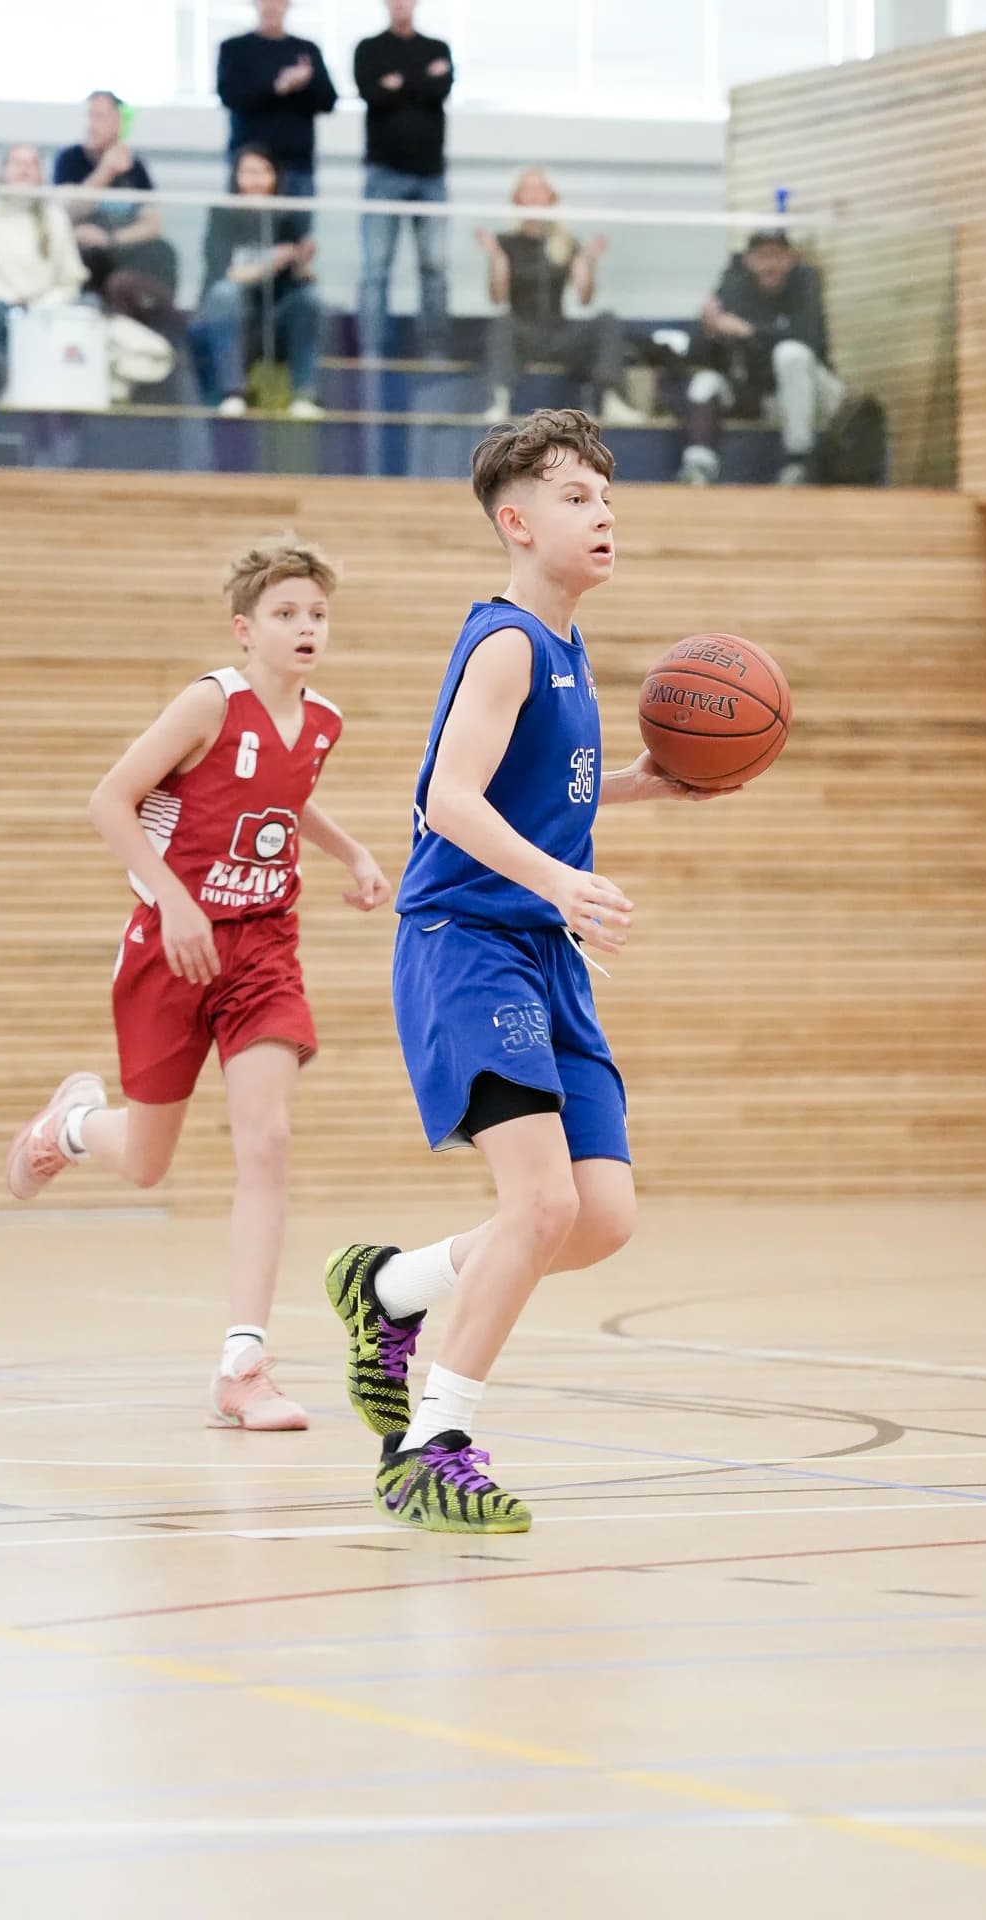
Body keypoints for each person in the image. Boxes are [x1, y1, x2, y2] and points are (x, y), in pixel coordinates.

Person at [324, 409, 736, 1532]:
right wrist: (561, 882)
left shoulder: (568, 649)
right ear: (515, 522)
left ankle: (388, 1289)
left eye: (606, 497)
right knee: (540, 1201)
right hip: (467, 947)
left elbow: (532, 792)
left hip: (542, 955)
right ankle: (431, 1444)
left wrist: (641, 786)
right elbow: (446, 800)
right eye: (573, 497)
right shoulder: (507, 642)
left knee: (597, 1218)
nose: (601, 514)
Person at [6, 535, 390, 1430]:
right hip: (171, 946)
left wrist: (354, 851)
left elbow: (287, 795)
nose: (306, 627)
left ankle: (243, 1368)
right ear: (245, 628)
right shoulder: (208, 702)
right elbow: (109, 800)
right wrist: (175, 902)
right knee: (147, 1163)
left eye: (318, 614)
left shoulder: (323, 721)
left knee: (269, 1140)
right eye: (286, 614)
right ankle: (70, 1126)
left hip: (263, 948)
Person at [476, 167, 645, 427]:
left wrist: (587, 262)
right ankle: (498, 402)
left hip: (560, 332)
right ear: (517, 198)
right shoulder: (505, 242)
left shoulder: (565, 242)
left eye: (539, 189)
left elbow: (584, 298)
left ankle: (611, 400)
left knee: (607, 320)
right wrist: (496, 258)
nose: (533, 195)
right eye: (527, 190)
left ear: (551, 197)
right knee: (502, 323)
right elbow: (497, 297)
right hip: (523, 332)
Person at [679, 229, 843, 486]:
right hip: (766, 399)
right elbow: (695, 356)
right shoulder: (734, 287)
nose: (770, 264)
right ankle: (699, 468)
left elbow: (809, 339)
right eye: (762, 257)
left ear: (790, 259)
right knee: (705, 382)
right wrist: (707, 330)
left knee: (790, 354)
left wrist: (750, 332)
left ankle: (799, 463)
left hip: (817, 397)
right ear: (749, 261)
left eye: (777, 256)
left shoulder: (805, 282)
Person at [189, 145, 324, 418]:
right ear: (236, 176)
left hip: (275, 320)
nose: (257, 180)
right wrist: (271, 261)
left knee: (310, 299)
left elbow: (301, 280)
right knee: (225, 293)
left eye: (265, 171)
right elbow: (226, 274)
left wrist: (302, 261)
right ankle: (232, 393)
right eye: (249, 171)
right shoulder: (222, 214)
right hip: (232, 323)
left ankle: (304, 396)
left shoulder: (287, 215)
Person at [354, 0, 454, 359]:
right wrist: (422, 78)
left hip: (430, 175)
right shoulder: (369, 48)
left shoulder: (437, 47)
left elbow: (440, 90)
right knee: (376, 268)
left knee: (435, 267)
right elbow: (372, 93)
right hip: (383, 172)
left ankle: (436, 351)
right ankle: (371, 351)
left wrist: (397, 83)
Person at [0, 144, 87, 399]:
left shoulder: (55, 217)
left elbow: (71, 277)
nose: (24, 169)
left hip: (48, 310)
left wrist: (41, 303)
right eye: (17, 162)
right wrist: (7, 298)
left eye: (31, 163)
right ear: (3, 171)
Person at [217, 0, 338, 237]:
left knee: (297, 242)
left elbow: (328, 101)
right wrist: (278, 87)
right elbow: (231, 96)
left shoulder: (306, 50)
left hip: (297, 166)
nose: (271, 6)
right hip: (250, 167)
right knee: (245, 239)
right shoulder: (234, 49)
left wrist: (304, 83)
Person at [53, 91, 178, 305]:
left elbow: (153, 223)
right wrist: (105, 172)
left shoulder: (136, 168)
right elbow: (61, 212)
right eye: (89, 116)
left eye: (99, 116)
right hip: (84, 248)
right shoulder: (69, 159)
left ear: (118, 122)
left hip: (123, 245)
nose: (91, 124)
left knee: (162, 251)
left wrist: (112, 239)